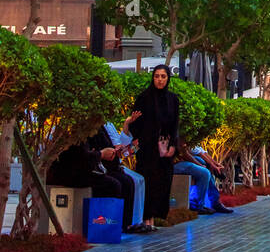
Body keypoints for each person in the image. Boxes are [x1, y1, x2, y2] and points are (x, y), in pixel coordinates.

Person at [48, 130, 138, 234]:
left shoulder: (97, 129)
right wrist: (101, 154)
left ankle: (122, 226)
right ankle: (102, 228)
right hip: (72, 173)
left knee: (127, 181)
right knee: (112, 185)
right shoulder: (74, 131)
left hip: (89, 167)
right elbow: (81, 159)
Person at [127, 64, 181, 230]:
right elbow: (136, 123)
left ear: (168, 78)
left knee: (162, 183)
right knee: (148, 182)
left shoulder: (173, 99)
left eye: (163, 76)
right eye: (156, 76)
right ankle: (145, 219)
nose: (159, 79)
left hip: (165, 150)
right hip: (147, 149)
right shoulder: (144, 98)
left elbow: (175, 125)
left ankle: (155, 218)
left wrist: (173, 146)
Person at [174, 141, 234, 214]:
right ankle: (198, 205)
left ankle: (214, 201)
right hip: (174, 164)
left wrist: (214, 164)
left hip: (180, 161)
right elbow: (186, 152)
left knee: (202, 162)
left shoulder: (192, 137)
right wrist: (204, 165)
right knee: (204, 172)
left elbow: (201, 151)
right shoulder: (180, 134)